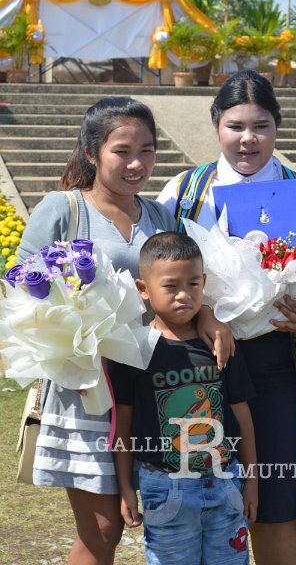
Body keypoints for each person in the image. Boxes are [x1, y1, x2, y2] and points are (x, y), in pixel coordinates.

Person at [17, 97, 234, 565]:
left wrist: (207, 315)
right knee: (102, 529)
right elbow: (21, 289)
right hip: (88, 393)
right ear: (91, 152)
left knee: (160, 517)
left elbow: (183, 282)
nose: (137, 164)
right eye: (122, 151)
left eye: (147, 151)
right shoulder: (63, 208)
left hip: (153, 392)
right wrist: (71, 344)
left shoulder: (159, 216)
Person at [157, 69, 296, 565]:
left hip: (278, 366)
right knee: (197, 497)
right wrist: (202, 314)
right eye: (235, 126)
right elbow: (153, 273)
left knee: (278, 497)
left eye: (261, 126)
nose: (248, 139)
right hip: (198, 367)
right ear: (216, 125)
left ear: (277, 126)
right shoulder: (184, 191)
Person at [107, 232, 258, 565]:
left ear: (204, 283)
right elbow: (123, 423)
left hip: (226, 485)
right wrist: (126, 487)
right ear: (143, 288)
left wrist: (252, 481)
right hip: (164, 488)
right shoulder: (133, 350)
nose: (184, 295)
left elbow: (241, 413)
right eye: (171, 286)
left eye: (193, 284)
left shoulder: (220, 344)